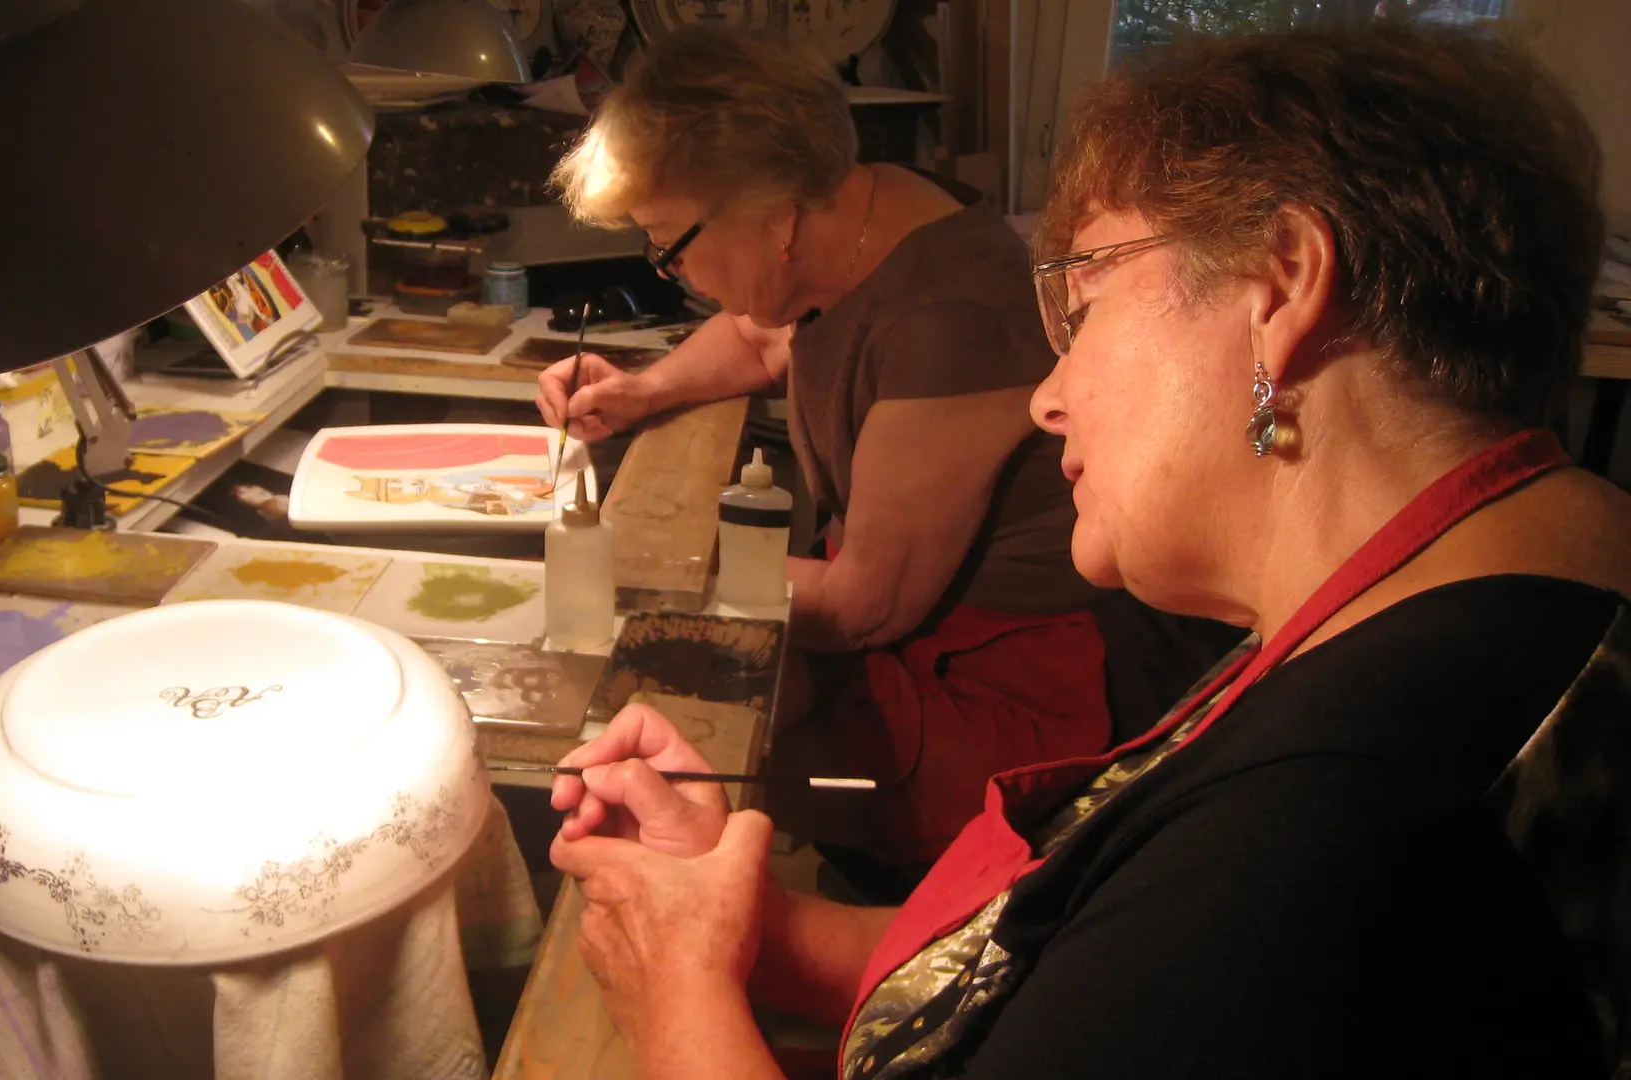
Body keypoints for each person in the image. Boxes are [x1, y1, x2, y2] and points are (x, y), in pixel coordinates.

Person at [544, 23, 1631, 1079]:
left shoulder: (1327, 827)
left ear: (1282, 287)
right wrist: (748, 924)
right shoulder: (1488, 591)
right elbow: (1060, 978)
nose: (1047, 396)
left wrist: (676, 989)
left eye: (1090, 301)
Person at [539, 25, 1235, 888]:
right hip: (922, 619)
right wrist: (646, 389)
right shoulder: (869, 210)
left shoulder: (948, 320)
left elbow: (868, 604)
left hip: (1017, 677)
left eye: (669, 244)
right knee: (678, 716)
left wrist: (644, 567)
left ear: (777, 217)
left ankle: (867, 929)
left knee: (685, 746)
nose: (670, 273)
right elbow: (764, 336)